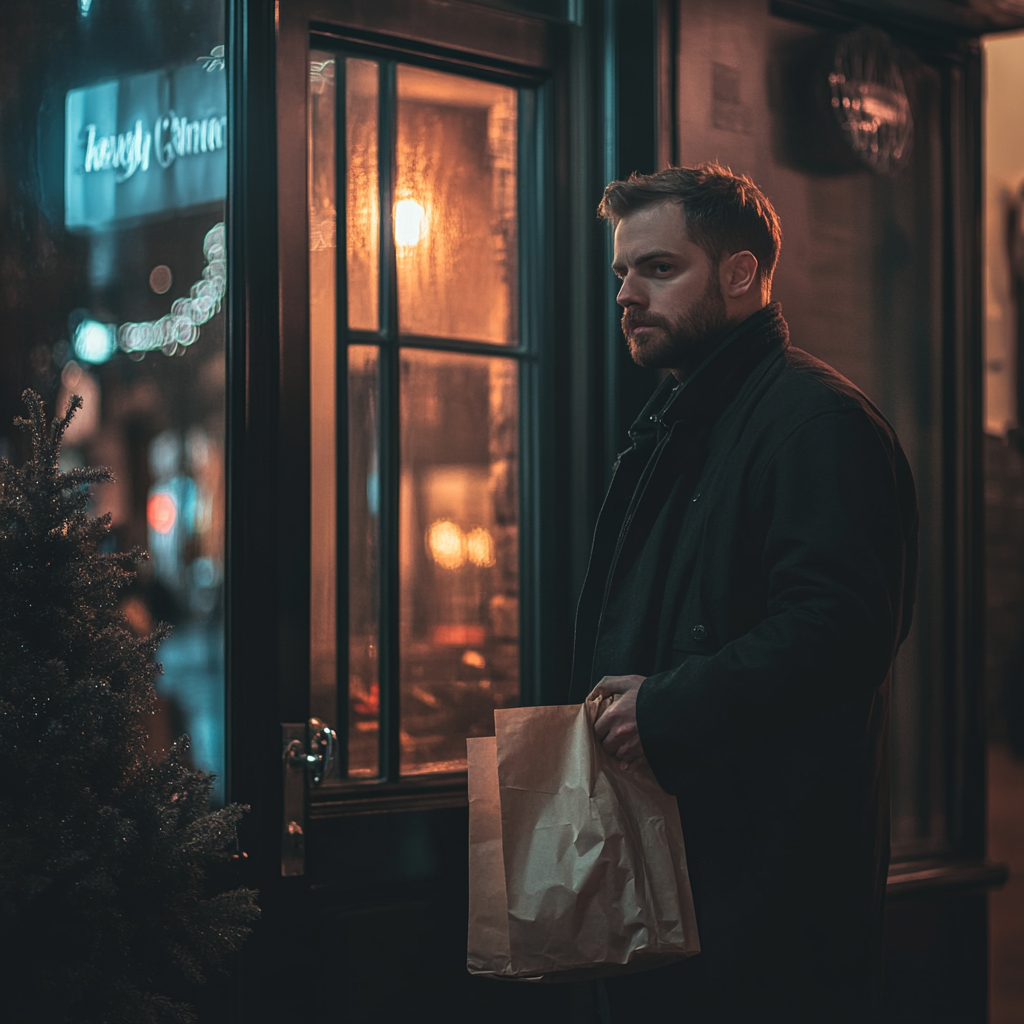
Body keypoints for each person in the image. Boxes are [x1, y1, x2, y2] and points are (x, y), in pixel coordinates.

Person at [568, 163, 918, 1023]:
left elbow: (838, 632)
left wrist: (666, 708)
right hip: (678, 871)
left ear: (740, 274)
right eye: (622, 273)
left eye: (658, 268)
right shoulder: (686, 419)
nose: (627, 294)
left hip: (766, 891)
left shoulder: (815, 422)